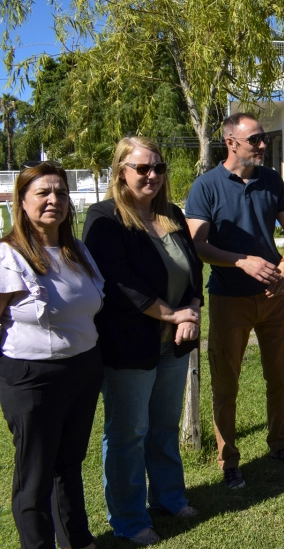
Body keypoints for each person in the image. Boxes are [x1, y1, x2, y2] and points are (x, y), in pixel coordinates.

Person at [83, 137, 204, 545]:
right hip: (129, 345)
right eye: (142, 168)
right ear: (121, 172)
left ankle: (169, 498)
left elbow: (193, 269)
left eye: (158, 167)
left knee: (164, 427)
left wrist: (193, 308)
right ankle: (130, 520)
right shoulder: (104, 218)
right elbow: (116, 283)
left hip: (175, 342)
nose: (152, 175)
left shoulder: (171, 214)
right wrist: (171, 314)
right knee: (128, 433)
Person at [185, 113, 284, 490]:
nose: (262, 145)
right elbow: (198, 244)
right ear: (231, 143)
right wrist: (241, 260)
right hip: (228, 300)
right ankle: (229, 461)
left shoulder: (271, 181)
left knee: (281, 376)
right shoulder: (206, 187)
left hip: (272, 298)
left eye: (263, 138)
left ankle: (279, 444)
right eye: (255, 139)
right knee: (226, 384)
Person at [0, 162, 105, 549]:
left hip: (83, 368)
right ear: (22, 202)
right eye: (42, 192)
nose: (53, 200)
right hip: (32, 378)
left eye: (60, 192)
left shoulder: (77, 251)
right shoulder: (8, 256)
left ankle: (78, 539)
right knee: (36, 473)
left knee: (69, 463)